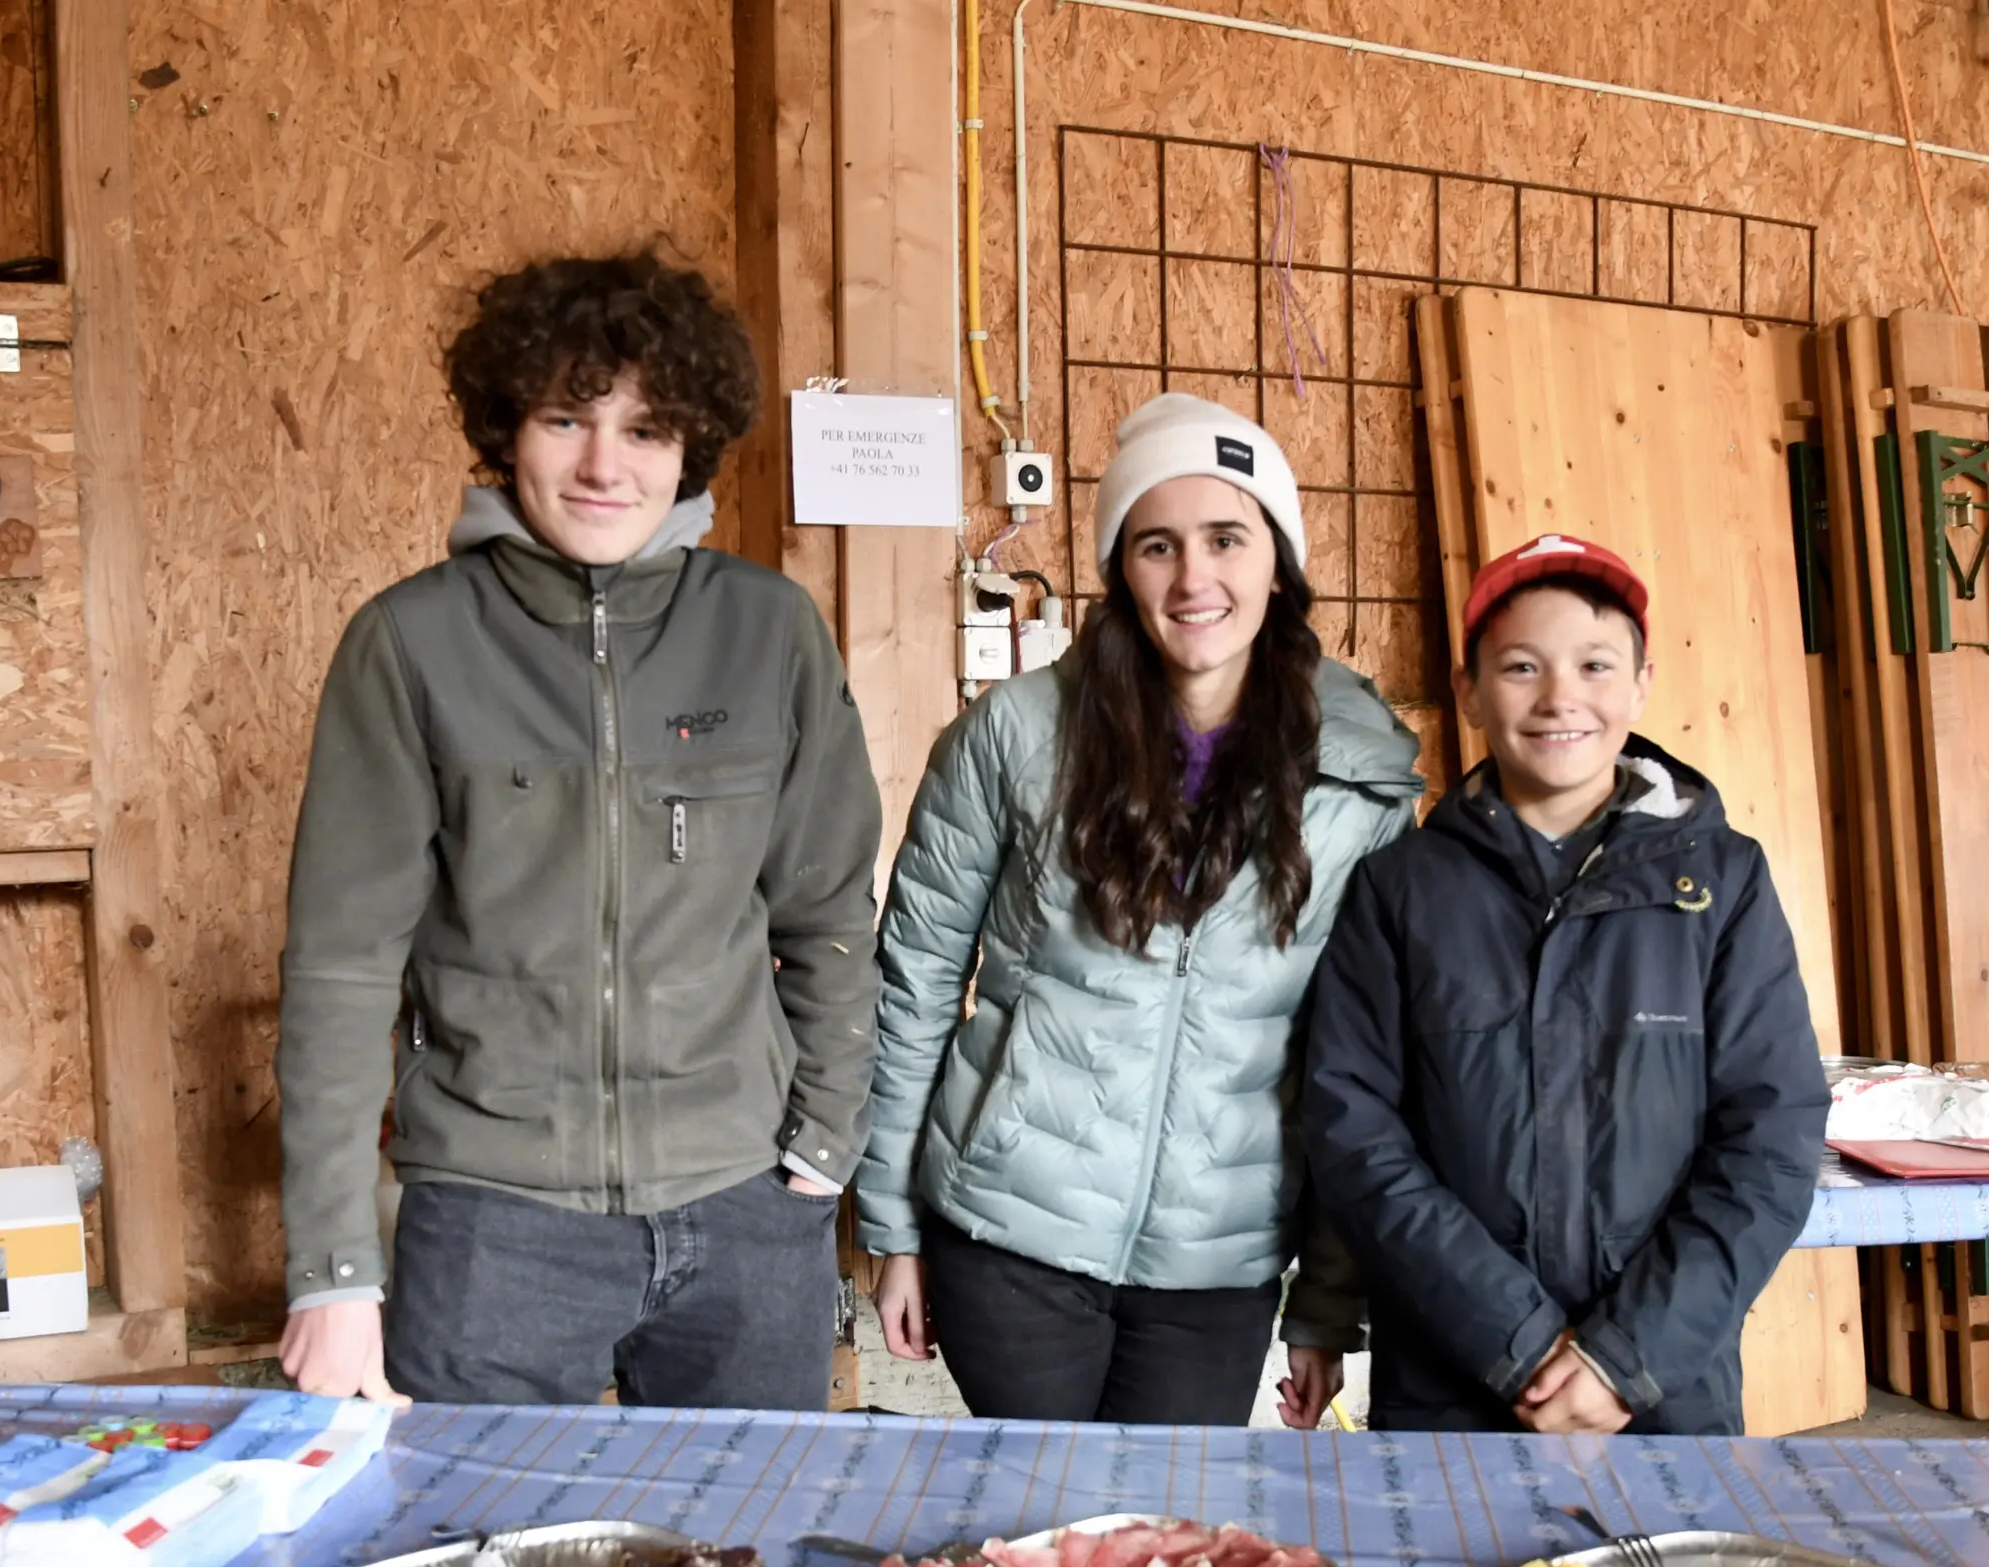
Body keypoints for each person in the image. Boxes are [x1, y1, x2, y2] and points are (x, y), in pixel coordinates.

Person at [272, 251, 882, 1425]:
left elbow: (828, 912)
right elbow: (342, 968)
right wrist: (334, 1264)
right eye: (567, 418)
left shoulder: (770, 633)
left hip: (749, 1208)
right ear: (508, 429)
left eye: (648, 431)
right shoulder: (409, 645)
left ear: (690, 450)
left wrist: (826, 1135)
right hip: (496, 1225)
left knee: (751, 1556)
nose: (607, 465)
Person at [856, 393, 1421, 1425]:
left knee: (1167, 1539)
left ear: (1278, 562)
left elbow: (1361, 1054)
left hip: (1222, 1258)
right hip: (1007, 1237)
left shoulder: (1363, 775)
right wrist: (890, 1220)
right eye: (1157, 544)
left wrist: (1331, 1299)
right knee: (1037, 1527)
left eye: (1226, 539)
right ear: (1121, 566)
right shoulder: (1015, 735)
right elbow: (917, 979)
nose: (1195, 577)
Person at [1300, 533, 1828, 1435]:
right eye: (1520, 667)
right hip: (1449, 1376)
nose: (1561, 699)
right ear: (1467, 690)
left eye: (1594, 664)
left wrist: (1626, 1358)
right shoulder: (1402, 890)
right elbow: (1355, 1134)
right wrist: (1517, 1341)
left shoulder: (1724, 885)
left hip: (1662, 1388)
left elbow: (1770, 1134)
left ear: (1641, 683)